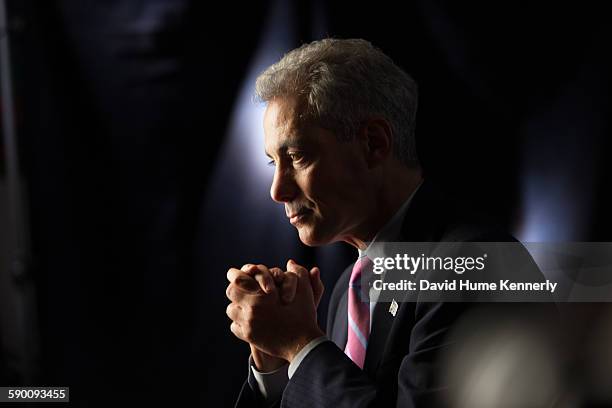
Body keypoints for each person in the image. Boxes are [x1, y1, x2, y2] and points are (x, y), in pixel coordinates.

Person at [225, 38, 554, 407]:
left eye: (297, 157)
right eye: (274, 162)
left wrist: (301, 344)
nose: (277, 190)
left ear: (374, 144)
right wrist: (275, 363)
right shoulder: (347, 292)